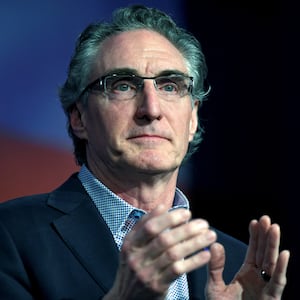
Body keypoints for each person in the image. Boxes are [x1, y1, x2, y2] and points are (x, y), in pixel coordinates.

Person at [0, 4, 290, 300]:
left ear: (192, 119)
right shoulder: (10, 236)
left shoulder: (237, 263)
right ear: (80, 118)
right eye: (123, 85)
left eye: (170, 86)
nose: (151, 109)